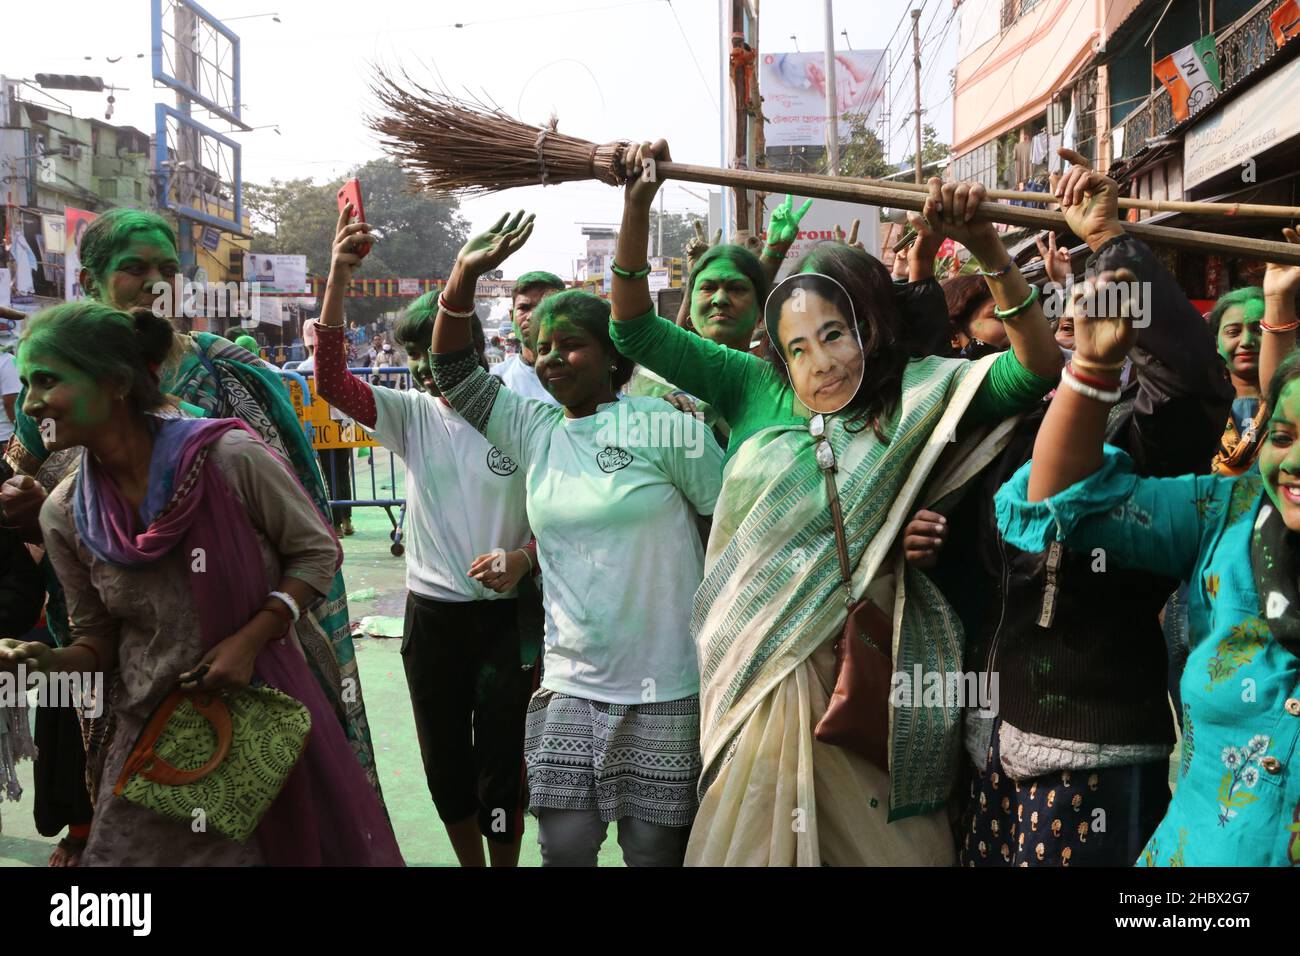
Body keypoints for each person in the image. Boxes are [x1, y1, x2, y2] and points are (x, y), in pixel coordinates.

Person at [610, 137, 1063, 866]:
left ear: (871, 327)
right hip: (754, 664)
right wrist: (637, 204)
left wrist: (986, 249)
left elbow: (1037, 368)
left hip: (861, 666)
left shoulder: (922, 392)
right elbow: (631, 327)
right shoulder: (753, 385)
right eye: (797, 341)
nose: (817, 355)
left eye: (835, 332)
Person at [0, 208, 381, 864]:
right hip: (129, 687)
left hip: (251, 685)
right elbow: (22, 478)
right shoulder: (64, 472)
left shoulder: (230, 403)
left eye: (167, 269)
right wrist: (49, 652)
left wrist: (260, 630)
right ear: (90, 280)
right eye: (135, 268)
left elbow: (311, 536)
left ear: (119, 384)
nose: (156, 283)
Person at [906, 158, 1232, 867]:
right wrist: (924, 537)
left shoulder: (1134, 431)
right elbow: (909, 391)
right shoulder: (998, 419)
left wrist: (1112, 240)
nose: (1069, 325)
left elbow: (1190, 385)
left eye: (1087, 316)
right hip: (986, 740)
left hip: (1093, 749)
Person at [428, 211, 724, 867]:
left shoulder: (660, 423)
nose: (552, 358)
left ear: (613, 354)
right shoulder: (534, 428)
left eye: (572, 345)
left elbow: (727, 520)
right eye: (542, 346)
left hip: (666, 681)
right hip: (569, 680)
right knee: (564, 847)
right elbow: (453, 373)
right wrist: (464, 276)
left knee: (652, 851)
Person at [994, 248, 1300, 866]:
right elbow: (1060, 504)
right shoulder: (1227, 513)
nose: (1292, 462)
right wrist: (1092, 370)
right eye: (1285, 437)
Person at [314, 203, 540, 866]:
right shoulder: (409, 416)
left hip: (507, 619)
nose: (422, 365)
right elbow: (329, 381)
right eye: (411, 352)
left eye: (435, 349)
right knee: (445, 759)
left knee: (504, 763)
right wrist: (337, 275)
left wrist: (524, 558)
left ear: (472, 352)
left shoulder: (519, 415)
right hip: (433, 616)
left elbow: (560, 511)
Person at [299, 319, 355, 536]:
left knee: (329, 473)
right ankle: (347, 519)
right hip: (344, 425)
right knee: (343, 472)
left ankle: (336, 523)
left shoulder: (303, 369)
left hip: (322, 428)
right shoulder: (340, 364)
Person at [1210, 286, 1268, 475]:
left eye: (1258, 330)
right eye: (1233, 332)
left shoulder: (1289, 403)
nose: (1246, 341)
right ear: (1216, 343)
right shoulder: (1200, 403)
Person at [493, 271, 565, 406]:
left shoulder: (586, 377)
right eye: (524, 308)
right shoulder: (496, 380)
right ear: (511, 315)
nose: (532, 316)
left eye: (543, 307)